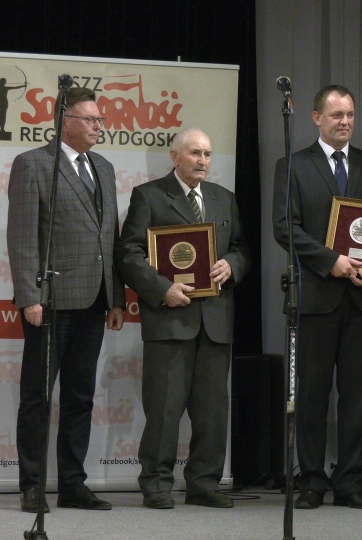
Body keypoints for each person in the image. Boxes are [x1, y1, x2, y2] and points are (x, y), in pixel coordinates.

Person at [114, 128, 250, 510]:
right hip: (170, 319)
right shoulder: (150, 195)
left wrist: (232, 265)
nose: (203, 161)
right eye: (195, 153)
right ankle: (156, 484)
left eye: (207, 153)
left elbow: (241, 247)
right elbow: (129, 254)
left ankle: (204, 483)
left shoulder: (224, 199)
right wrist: (161, 289)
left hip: (216, 321)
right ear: (175, 156)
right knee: (164, 409)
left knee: (211, 411)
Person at [7, 86, 125, 513]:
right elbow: (21, 238)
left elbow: (108, 237)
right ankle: (32, 485)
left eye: (100, 120)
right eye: (90, 120)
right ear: (64, 121)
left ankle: (73, 484)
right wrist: (29, 296)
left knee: (81, 396)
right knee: (38, 396)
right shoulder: (33, 165)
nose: (98, 127)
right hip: (51, 301)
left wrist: (116, 298)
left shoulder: (105, 168)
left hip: (95, 301)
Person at [272, 84, 362, 510]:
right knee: (312, 393)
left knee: (358, 394)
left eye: (351, 115)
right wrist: (332, 261)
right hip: (317, 296)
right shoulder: (293, 165)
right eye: (337, 115)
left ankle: (350, 482)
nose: (345, 122)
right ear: (316, 117)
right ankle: (312, 481)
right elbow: (285, 228)